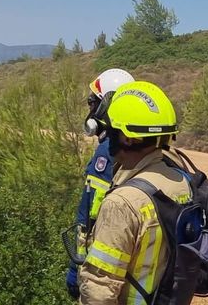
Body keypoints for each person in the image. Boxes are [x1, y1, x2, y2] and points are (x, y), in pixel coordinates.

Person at [78, 81, 193, 305]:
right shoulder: (183, 181)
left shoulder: (123, 203)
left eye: (111, 130)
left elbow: (100, 290)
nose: (106, 136)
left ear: (128, 138)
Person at [66, 68, 136, 299]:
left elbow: (89, 218)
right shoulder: (141, 148)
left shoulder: (107, 154)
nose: (90, 109)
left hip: (103, 270)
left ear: (105, 106)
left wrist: (75, 270)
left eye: (92, 102)